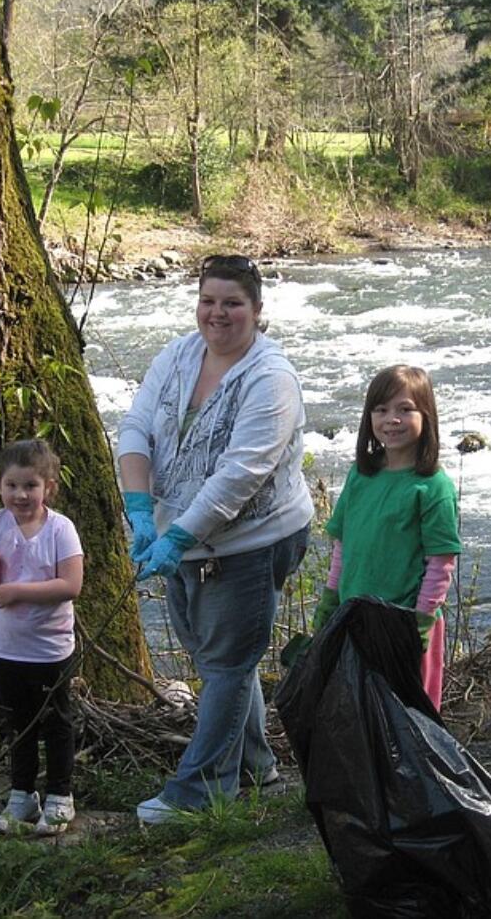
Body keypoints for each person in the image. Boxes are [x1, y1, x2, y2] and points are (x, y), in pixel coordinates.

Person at [118, 254, 313, 824]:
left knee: (227, 661)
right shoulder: (179, 355)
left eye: (232, 303)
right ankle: (255, 766)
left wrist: (176, 537)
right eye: (208, 300)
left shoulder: (271, 379)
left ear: (256, 310)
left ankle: (200, 792)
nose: (217, 313)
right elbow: (135, 426)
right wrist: (138, 509)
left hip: (253, 539)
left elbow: (240, 475)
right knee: (221, 656)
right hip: (178, 532)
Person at [313, 365, 462, 710]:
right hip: (355, 618)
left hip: (404, 623)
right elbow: (342, 548)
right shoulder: (361, 476)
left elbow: (440, 564)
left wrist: (420, 624)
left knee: (407, 717)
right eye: (381, 410)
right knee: (361, 712)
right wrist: (329, 602)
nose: (391, 419)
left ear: (426, 416)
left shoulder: (432, 487)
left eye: (405, 409)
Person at [0, 438, 84, 836]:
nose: (20, 495)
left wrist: (19, 592)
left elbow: (71, 585)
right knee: (17, 722)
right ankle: (21, 794)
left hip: (49, 648)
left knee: (55, 721)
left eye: (30, 486)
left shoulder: (60, 530)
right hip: (4, 646)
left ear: (48, 488)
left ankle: (59, 795)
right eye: (12, 485)